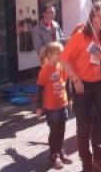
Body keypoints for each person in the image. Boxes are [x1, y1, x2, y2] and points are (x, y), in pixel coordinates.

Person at [60, 1, 101, 172]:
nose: (99, 20)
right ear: (91, 16)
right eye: (96, 15)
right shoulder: (80, 35)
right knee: (83, 125)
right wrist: (75, 80)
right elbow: (63, 59)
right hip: (82, 85)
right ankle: (86, 163)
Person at [36, 41, 72, 170]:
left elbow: (67, 84)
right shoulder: (44, 71)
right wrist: (39, 107)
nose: (61, 55)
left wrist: (70, 100)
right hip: (51, 107)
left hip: (62, 104)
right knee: (54, 131)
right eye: (59, 53)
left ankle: (60, 150)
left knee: (62, 129)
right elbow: (39, 90)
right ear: (50, 54)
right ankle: (53, 155)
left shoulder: (61, 66)